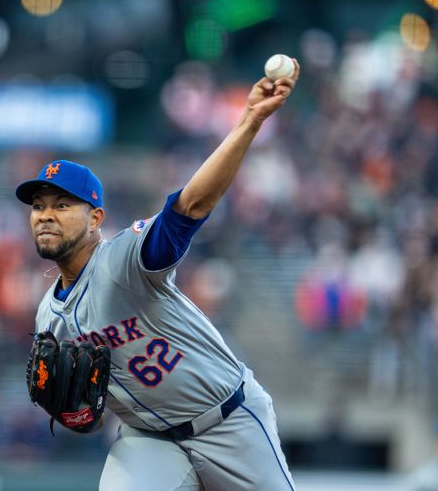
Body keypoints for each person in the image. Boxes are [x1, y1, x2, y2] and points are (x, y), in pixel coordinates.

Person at [15, 60, 300, 490]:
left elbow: (190, 207)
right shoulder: (48, 320)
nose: (46, 216)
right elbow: (87, 419)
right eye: (38, 206)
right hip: (149, 441)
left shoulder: (124, 260)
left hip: (228, 421)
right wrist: (73, 414)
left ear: (95, 218)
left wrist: (249, 120)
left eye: (61, 205)